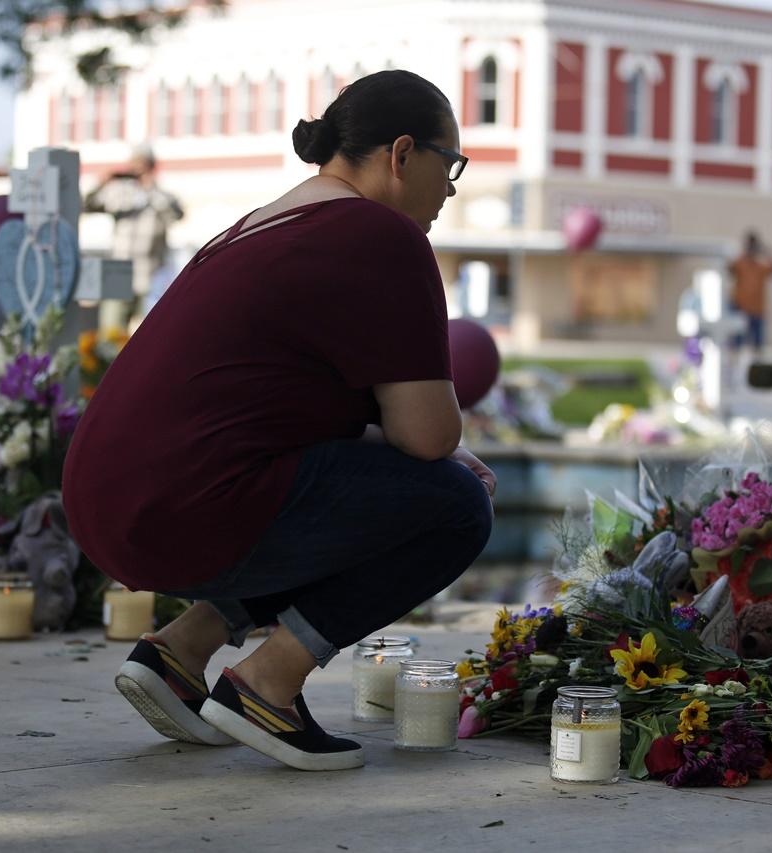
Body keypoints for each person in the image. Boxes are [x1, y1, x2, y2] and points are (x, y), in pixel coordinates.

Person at [62, 70, 493, 772]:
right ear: (402, 153)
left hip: (107, 502)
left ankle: (179, 653)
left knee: (364, 490)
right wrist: (447, 459)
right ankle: (268, 684)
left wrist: (429, 452)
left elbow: (289, 412)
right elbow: (430, 437)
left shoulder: (266, 220)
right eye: (452, 163)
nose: (450, 188)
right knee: (457, 507)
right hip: (183, 509)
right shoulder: (381, 233)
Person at [83, 145, 184, 326]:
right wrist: (103, 182)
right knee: (112, 330)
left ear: (151, 167)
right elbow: (88, 206)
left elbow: (177, 214)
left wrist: (149, 188)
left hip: (151, 273)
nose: (137, 169)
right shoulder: (117, 193)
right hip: (118, 272)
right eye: (134, 164)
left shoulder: (162, 196)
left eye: (142, 164)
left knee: (151, 328)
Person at [728, 230, 772, 353]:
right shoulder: (740, 264)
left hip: (757, 311)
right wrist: (744, 253)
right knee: (737, 343)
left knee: (758, 346)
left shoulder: (761, 267)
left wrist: (765, 251)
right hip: (741, 309)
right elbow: (729, 267)